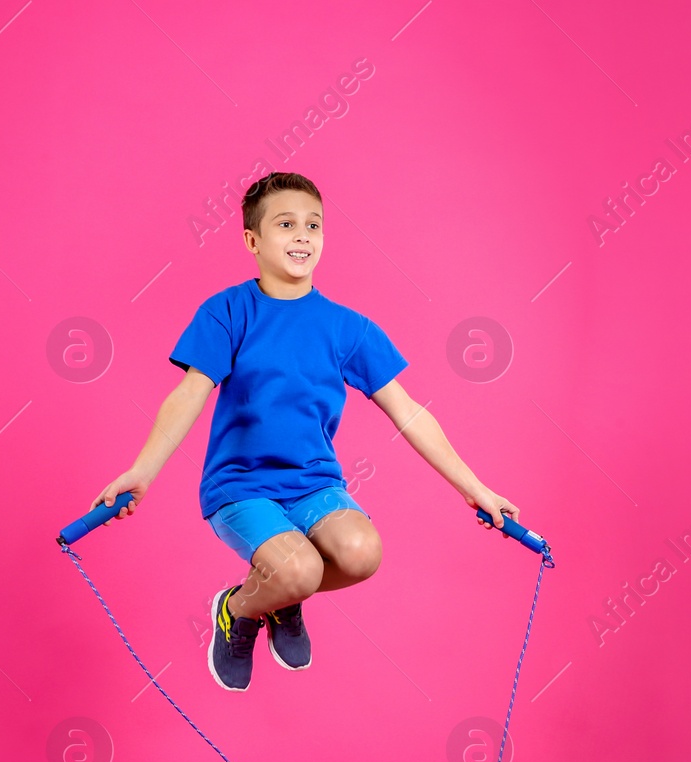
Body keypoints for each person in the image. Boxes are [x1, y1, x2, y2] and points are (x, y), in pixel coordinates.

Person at [92, 172, 519, 691]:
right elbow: (188, 395)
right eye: (286, 224)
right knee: (300, 571)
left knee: (362, 555)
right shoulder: (227, 312)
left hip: (315, 486)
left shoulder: (348, 327)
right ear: (252, 240)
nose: (302, 236)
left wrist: (476, 489)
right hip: (241, 488)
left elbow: (409, 412)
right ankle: (242, 608)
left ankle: (279, 597)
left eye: (313, 225)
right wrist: (143, 471)